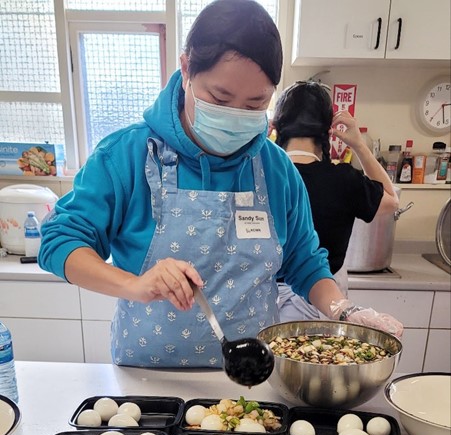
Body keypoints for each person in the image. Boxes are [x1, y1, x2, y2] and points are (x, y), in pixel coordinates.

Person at [39, 0, 402, 370]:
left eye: (255, 103)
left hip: (253, 382)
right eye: (220, 98)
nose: (235, 117)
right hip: (146, 383)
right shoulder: (127, 155)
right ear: (186, 70)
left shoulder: (276, 170)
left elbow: (305, 263)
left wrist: (343, 311)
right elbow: (60, 242)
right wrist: (135, 285)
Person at [271, 80, 399, 321]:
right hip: (326, 303)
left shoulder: (263, 175)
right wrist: (358, 144)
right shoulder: (343, 179)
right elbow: (392, 200)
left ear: (277, 127)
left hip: (264, 302)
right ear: (328, 131)